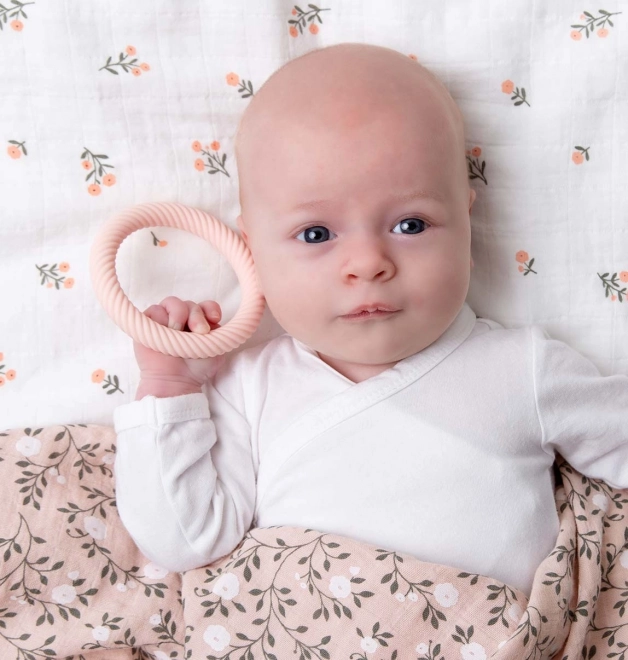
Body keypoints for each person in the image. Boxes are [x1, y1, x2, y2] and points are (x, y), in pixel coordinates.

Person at [113, 43, 628, 596]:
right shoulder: (247, 387)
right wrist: (168, 388)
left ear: (466, 226)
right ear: (252, 251)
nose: (368, 264)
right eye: (316, 235)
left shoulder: (524, 369)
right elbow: (183, 541)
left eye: (410, 224)